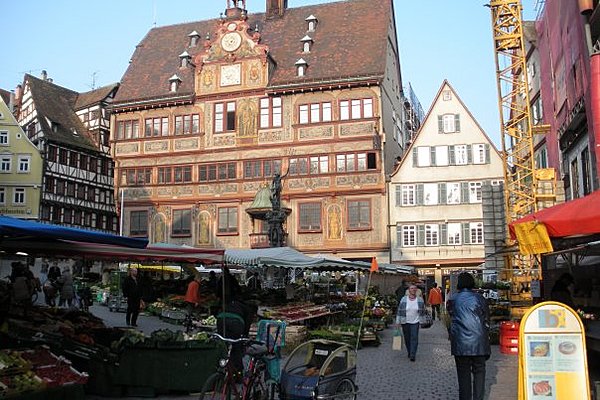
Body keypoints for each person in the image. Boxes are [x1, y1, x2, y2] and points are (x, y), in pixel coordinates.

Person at [448, 272, 490, 400]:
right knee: (479, 372)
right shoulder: (480, 298)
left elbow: (451, 316)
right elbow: (486, 318)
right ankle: (478, 397)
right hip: (479, 342)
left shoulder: (453, 299)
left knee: (463, 375)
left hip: (460, 342)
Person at [396, 284, 426, 361]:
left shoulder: (420, 300)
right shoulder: (404, 299)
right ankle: (409, 351)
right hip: (405, 321)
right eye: (411, 288)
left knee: (414, 337)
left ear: (416, 290)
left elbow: (423, 311)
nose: (413, 290)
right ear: (409, 290)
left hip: (415, 321)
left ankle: (413, 354)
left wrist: (423, 321)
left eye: (414, 288)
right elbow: (399, 310)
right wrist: (398, 321)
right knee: (407, 338)